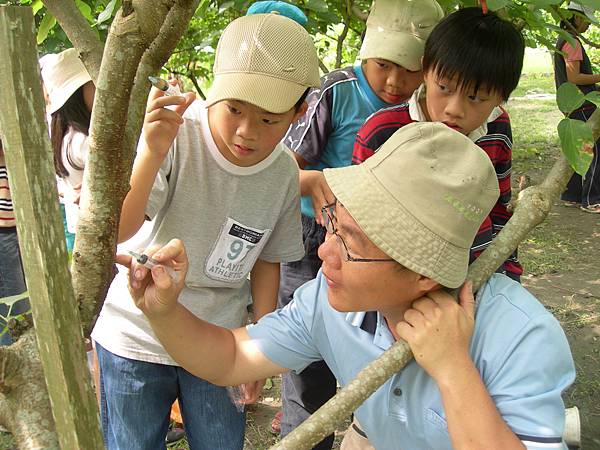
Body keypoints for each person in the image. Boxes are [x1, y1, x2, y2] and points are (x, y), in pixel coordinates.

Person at [119, 122, 575, 450]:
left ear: (423, 275)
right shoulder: (330, 299)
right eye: (334, 224)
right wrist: (163, 310)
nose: (324, 252)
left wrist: (453, 367)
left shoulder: (521, 338)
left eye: (351, 243)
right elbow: (233, 357)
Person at [91, 10, 320, 450]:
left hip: (219, 342)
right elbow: (118, 231)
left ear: (300, 111)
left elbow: (268, 259)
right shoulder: (176, 135)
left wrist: (261, 346)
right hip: (135, 336)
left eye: (270, 119)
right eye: (234, 109)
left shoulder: (283, 175)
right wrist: (152, 153)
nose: (246, 132)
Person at [277, 1, 444, 446]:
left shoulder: (428, 107)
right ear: (366, 55)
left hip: (385, 254)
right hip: (314, 239)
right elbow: (283, 173)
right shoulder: (336, 92)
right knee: (306, 364)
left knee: (379, 357)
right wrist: (320, 182)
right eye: (383, 66)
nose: (395, 82)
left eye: (410, 70)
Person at [353, 7, 524, 281]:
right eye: (444, 88)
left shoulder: (497, 130)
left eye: (476, 98)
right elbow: (356, 218)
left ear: (501, 97)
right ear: (425, 70)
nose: (454, 110)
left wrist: (507, 275)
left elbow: (498, 209)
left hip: (472, 275)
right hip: (395, 279)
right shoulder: (382, 131)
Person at [40, 48, 95, 255]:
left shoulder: (64, 137)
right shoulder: (84, 142)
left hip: (77, 226)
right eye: (93, 85)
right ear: (77, 95)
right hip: (97, 230)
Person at [554, 1, 600, 213]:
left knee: (575, 147)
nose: (589, 26)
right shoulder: (572, 43)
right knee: (593, 150)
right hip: (581, 103)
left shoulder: (563, 39)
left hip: (573, 103)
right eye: (586, 21)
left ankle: (571, 195)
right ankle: (592, 199)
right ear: (576, 18)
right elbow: (574, 78)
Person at [0, 138, 29, 346]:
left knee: (20, 301)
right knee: (15, 304)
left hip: (17, 228)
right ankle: (12, 355)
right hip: (4, 230)